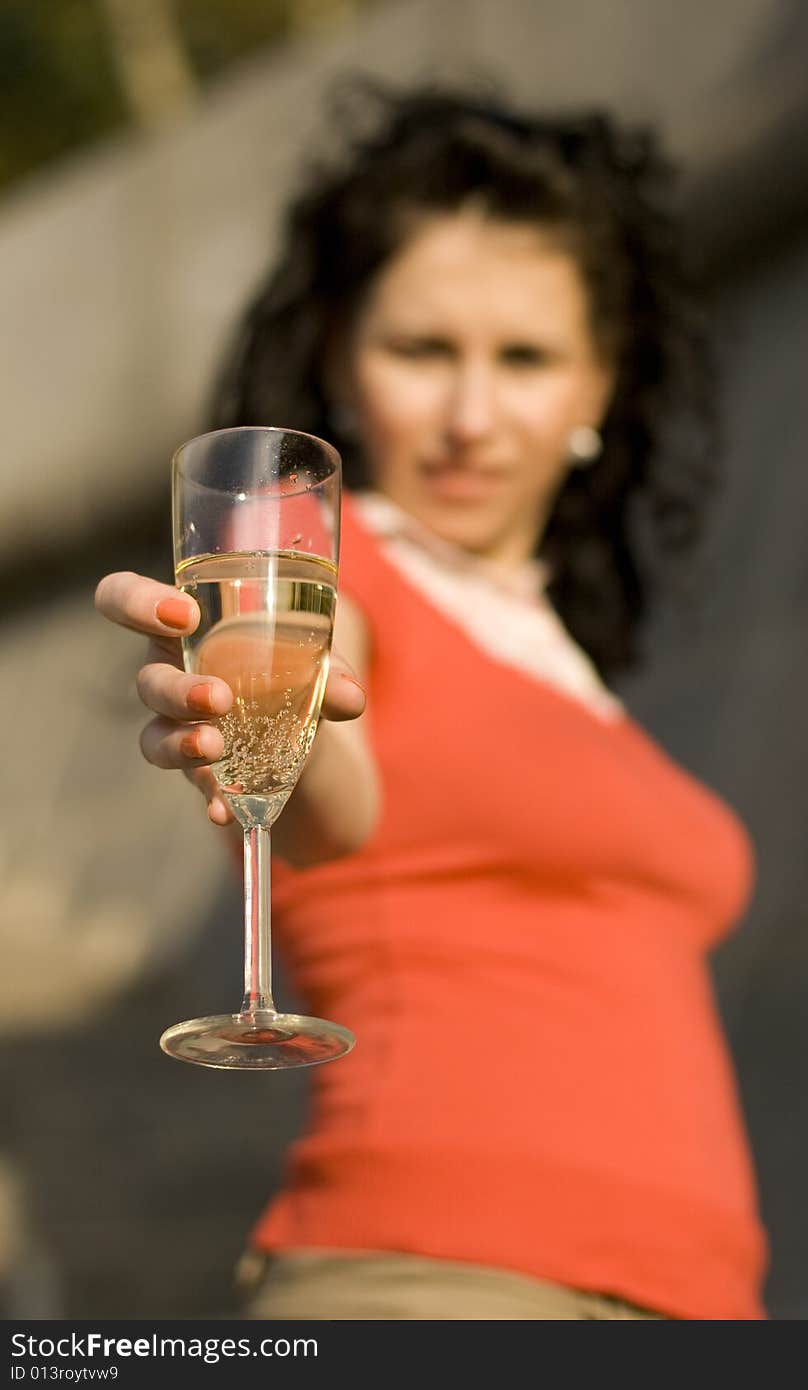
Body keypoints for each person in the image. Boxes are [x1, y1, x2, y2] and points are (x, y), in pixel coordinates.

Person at [95, 80, 767, 1320]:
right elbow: (332, 798)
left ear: (598, 388)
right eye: (421, 351)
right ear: (343, 359)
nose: (468, 416)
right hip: (436, 1277)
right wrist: (253, 724)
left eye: (522, 358)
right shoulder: (338, 576)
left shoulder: (563, 658)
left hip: (695, 1298)